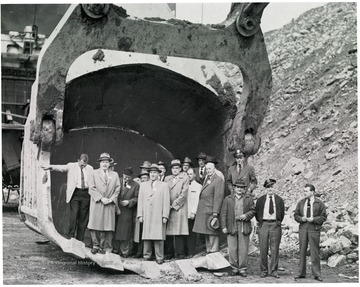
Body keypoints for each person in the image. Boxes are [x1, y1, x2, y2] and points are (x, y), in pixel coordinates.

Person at [41, 154, 93, 242]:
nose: (83, 166)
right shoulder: (71, 166)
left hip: (86, 194)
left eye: (85, 165)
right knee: (74, 214)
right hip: (75, 193)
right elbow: (61, 168)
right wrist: (49, 167)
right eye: (81, 164)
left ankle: (80, 239)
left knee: (83, 217)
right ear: (78, 160)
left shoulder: (90, 168)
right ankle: (71, 237)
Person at [220, 178, 255, 277]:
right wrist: (224, 226)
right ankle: (234, 268)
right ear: (234, 188)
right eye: (238, 187)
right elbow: (224, 214)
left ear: (244, 189)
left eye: (242, 188)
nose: (239, 189)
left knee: (243, 249)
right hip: (232, 225)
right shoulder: (228, 199)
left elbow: (253, 211)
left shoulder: (249, 199)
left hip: (244, 226)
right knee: (232, 248)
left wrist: (246, 216)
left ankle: (242, 268)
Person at [137, 163, 170, 264]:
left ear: (159, 174)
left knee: (158, 236)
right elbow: (140, 200)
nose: (152, 175)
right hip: (147, 213)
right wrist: (140, 215)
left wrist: (165, 215)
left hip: (158, 214)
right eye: (151, 172)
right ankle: (147, 255)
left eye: (155, 173)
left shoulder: (164, 185)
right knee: (146, 236)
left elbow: (166, 201)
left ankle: (159, 257)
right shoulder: (143, 185)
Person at [87, 153, 120, 254]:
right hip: (97, 203)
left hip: (109, 204)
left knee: (107, 227)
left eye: (107, 162)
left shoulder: (115, 175)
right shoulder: (93, 173)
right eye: (103, 162)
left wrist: (112, 199)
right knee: (94, 225)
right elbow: (91, 188)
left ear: (110, 163)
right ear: (99, 163)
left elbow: (118, 188)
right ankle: (95, 245)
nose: (105, 164)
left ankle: (106, 247)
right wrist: (101, 198)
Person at [294, 184, 327, 282]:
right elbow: (296, 215)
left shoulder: (319, 203)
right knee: (302, 251)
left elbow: (323, 217)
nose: (305, 193)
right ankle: (301, 273)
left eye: (307, 191)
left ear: (312, 192)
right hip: (303, 228)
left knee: (315, 251)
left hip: (314, 228)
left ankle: (316, 274)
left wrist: (314, 219)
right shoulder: (301, 202)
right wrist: (301, 218)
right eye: (304, 191)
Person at [193, 155, 224, 253]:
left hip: (211, 210)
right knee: (206, 232)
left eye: (210, 168)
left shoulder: (218, 180)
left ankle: (214, 252)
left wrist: (215, 213)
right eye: (207, 169)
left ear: (214, 168)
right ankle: (209, 251)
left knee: (212, 232)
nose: (208, 170)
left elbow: (218, 197)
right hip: (204, 209)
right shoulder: (207, 178)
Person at [255, 179, 285, 278]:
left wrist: (278, 222)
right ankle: (264, 270)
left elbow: (282, 213)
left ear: (274, 187)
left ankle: (273, 270)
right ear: (265, 189)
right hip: (263, 224)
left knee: (275, 248)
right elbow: (257, 212)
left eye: (272, 187)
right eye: (268, 187)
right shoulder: (260, 200)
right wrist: (260, 222)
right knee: (263, 248)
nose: (270, 189)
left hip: (275, 225)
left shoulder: (279, 200)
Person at [165, 159, 189, 259]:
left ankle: (180, 253)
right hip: (168, 207)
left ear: (180, 169)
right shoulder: (167, 178)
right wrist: (166, 205)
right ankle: (169, 253)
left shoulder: (184, 178)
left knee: (178, 232)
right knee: (169, 232)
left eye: (177, 168)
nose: (175, 170)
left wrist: (174, 204)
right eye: (173, 168)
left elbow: (184, 193)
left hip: (179, 208)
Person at [114, 167, 139, 258]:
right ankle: (115, 249)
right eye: (125, 176)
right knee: (115, 230)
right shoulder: (117, 181)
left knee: (126, 231)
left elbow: (137, 198)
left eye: (128, 177)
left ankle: (124, 251)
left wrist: (129, 202)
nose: (126, 179)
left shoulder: (135, 185)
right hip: (116, 208)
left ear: (131, 176)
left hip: (127, 210)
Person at [185, 167, 202, 258]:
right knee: (185, 233)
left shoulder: (198, 186)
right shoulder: (184, 185)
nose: (189, 176)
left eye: (191, 174)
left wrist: (193, 212)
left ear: (195, 175)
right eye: (187, 174)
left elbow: (197, 201)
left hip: (191, 213)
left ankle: (191, 252)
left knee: (191, 234)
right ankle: (184, 252)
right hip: (184, 213)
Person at [132, 170, 150, 258]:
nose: (143, 180)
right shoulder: (139, 186)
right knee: (138, 233)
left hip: (149, 212)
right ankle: (138, 252)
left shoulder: (151, 187)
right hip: (139, 212)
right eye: (142, 178)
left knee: (146, 233)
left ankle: (145, 253)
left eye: (145, 178)